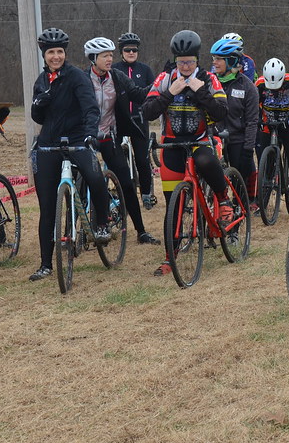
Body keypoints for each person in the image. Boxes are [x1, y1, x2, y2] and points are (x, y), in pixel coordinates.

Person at [142, 30, 230, 277]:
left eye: (190, 62)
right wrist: (169, 93)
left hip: (199, 142)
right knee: (173, 206)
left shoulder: (209, 79)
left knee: (205, 159)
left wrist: (201, 92)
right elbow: (147, 111)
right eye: (181, 62)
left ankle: (223, 200)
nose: (186, 66)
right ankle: (171, 257)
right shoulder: (164, 78)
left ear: (197, 60)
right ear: (175, 61)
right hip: (171, 146)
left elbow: (223, 113)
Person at [28, 27, 110, 281]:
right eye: (51, 52)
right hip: (48, 145)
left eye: (60, 52)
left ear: (65, 53)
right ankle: (45, 264)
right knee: (47, 210)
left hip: (77, 140)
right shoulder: (41, 81)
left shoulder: (76, 77)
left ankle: (103, 223)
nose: (56, 56)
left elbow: (90, 109)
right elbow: (38, 117)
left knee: (95, 177)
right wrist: (38, 105)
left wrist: (89, 134)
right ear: (44, 55)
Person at [84, 36, 161, 245]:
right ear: (93, 58)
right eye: (104, 56)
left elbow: (138, 94)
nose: (109, 59)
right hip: (86, 137)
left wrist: (161, 84)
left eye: (110, 55)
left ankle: (141, 231)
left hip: (110, 136)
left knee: (127, 183)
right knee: (85, 181)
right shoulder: (81, 78)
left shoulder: (117, 77)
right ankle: (82, 228)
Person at [254, 57, 289, 202]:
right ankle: (263, 202)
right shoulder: (259, 83)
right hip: (268, 125)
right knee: (265, 165)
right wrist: (258, 118)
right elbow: (253, 104)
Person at [209, 36, 259, 203]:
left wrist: (248, 150)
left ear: (230, 61)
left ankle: (240, 212)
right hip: (214, 139)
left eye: (218, 59)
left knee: (240, 183)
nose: (214, 62)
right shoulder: (209, 82)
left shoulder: (248, 87)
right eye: (213, 58)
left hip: (237, 140)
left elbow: (252, 122)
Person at [111, 31, 157, 209]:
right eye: (127, 50)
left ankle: (146, 194)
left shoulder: (145, 70)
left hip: (139, 120)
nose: (131, 53)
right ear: (121, 51)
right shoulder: (114, 69)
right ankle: (119, 194)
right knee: (116, 161)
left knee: (142, 161)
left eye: (134, 50)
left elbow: (152, 92)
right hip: (119, 121)